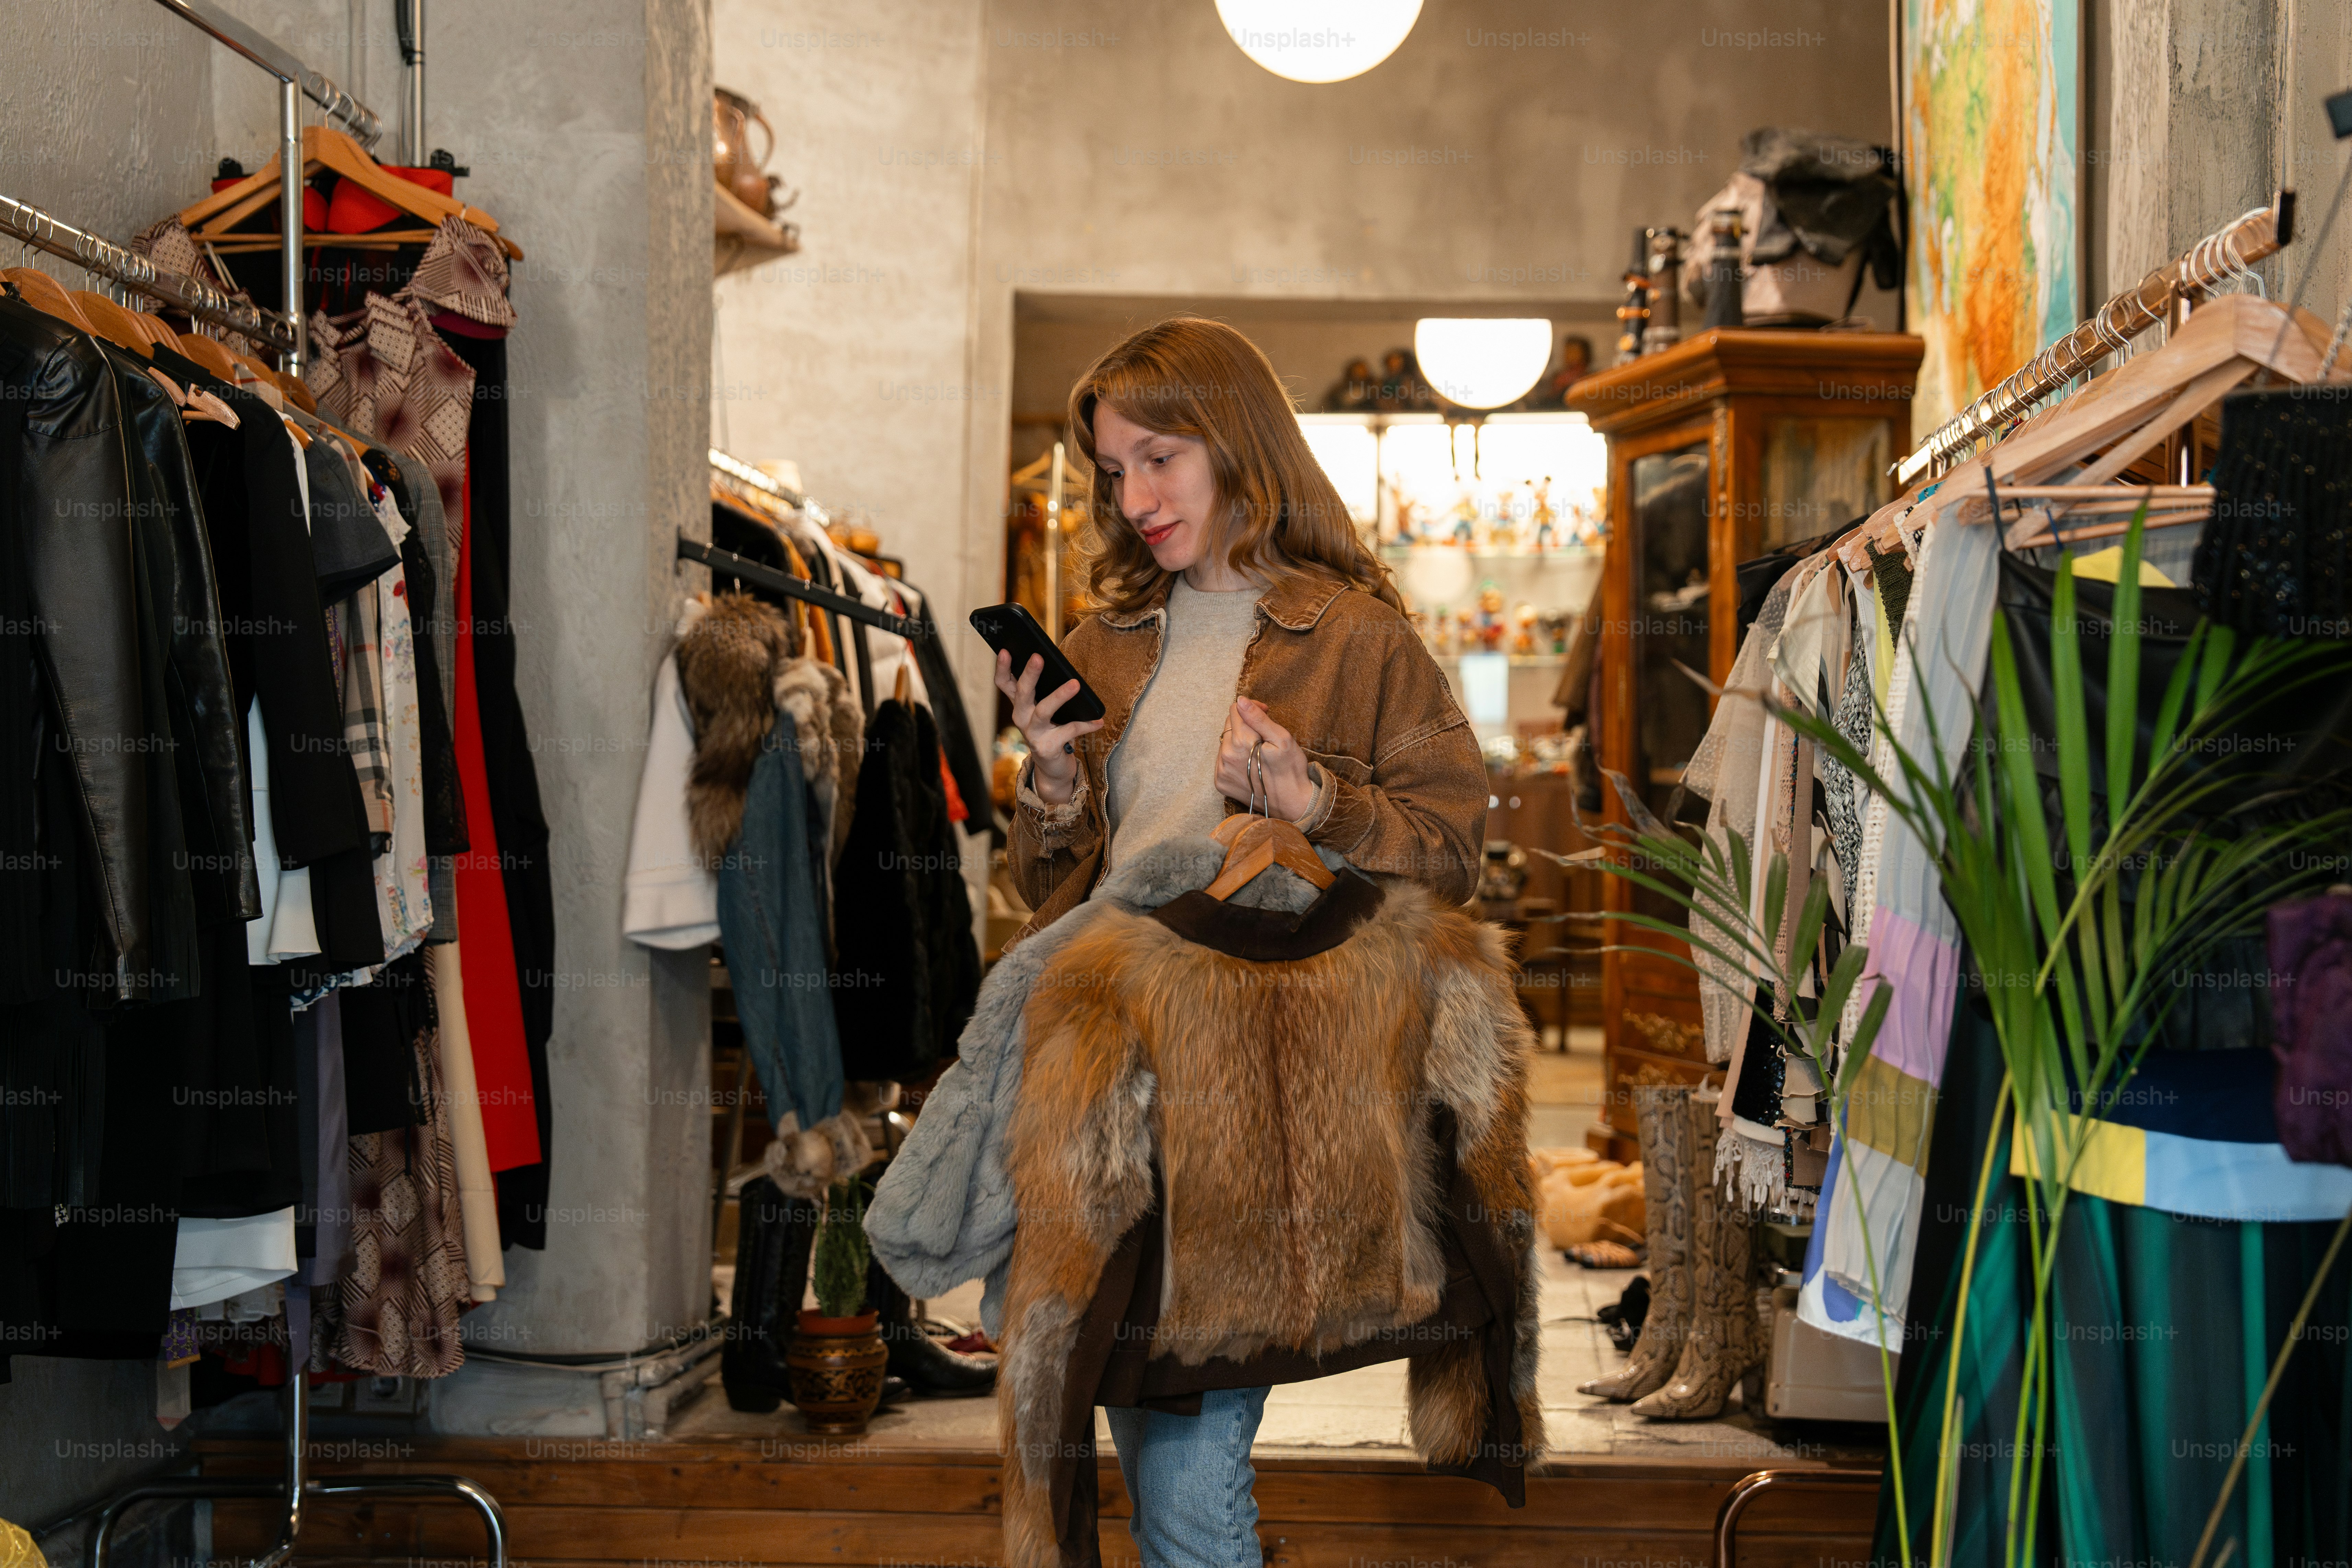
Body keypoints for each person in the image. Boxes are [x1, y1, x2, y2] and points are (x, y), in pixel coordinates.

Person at [993, 315, 1488, 1563]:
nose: (1135, 496)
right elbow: (1050, 890)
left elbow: (1452, 853)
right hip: (1101, 1095)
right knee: (1122, 1423)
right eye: (1115, 470)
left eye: (1160, 457)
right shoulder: (1104, 641)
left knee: (1186, 1452)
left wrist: (1313, 800)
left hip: (1254, 1099)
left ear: (1236, 442)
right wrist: (1053, 782)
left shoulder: (1357, 637)